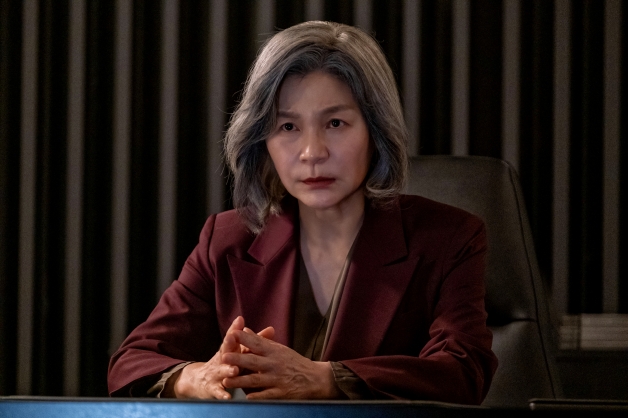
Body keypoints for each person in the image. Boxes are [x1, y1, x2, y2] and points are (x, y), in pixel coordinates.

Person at [107, 21, 497, 403]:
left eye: (335, 123)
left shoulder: (449, 238)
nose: (312, 153)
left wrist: (326, 379)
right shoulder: (227, 239)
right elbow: (132, 362)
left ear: (376, 131)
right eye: (288, 127)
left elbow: (464, 371)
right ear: (262, 140)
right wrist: (196, 377)